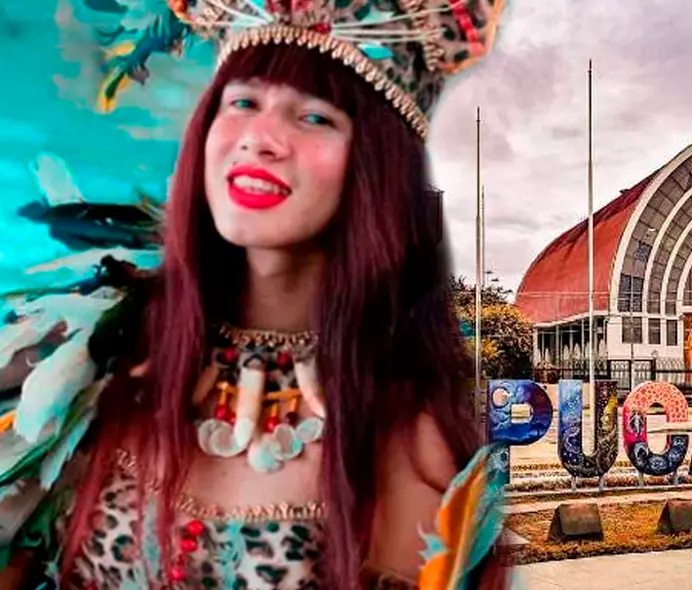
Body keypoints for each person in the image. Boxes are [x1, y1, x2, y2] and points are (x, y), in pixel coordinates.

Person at [0, 0, 507, 588]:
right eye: (242, 101)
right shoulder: (82, 363)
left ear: (378, 170)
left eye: (315, 117)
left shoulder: (408, 440)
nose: (261, 138)